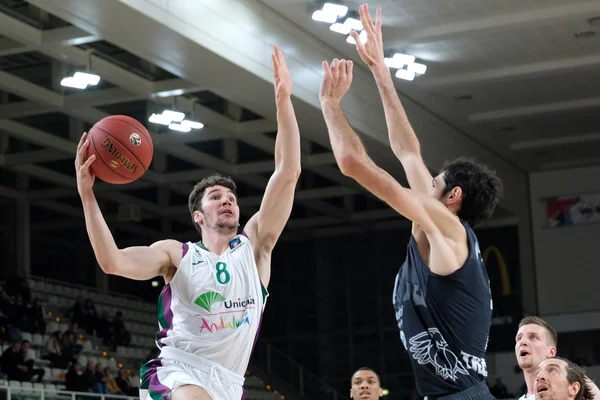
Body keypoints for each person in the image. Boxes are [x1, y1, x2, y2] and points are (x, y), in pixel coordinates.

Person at [74, 44, 301, 400]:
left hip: (229, 382)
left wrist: (284, 101)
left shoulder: (255, 248)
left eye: (232, 198)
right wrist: (88, 195)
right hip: (177, 371)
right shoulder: (177, 255)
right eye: (216, 197)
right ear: (198, 216)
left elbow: (287, 172)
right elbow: (112, 262)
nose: (226, 200)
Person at [319, 4, 502, 399]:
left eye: (435, 181)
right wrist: (380, 71)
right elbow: (407, 152)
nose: (426, 181)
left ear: (453, 197)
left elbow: (352, 163)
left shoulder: (447, 228)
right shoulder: (441, 225)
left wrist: (331, 107)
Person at [515, 316, 600, 400]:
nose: (522, 342)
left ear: (551, 352)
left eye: (533, 337)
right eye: (519, 338)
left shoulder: (573, 380)